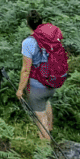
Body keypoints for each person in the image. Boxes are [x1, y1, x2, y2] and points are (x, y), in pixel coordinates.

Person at [15, 9, 55, 140]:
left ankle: (46, 150)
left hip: (36, 86)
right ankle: (50, 131)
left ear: (28, 24)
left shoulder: (28, 43)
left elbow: (26, 69)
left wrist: (20, 89)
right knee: (46, 102)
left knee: (40, 118)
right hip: (50, 83)